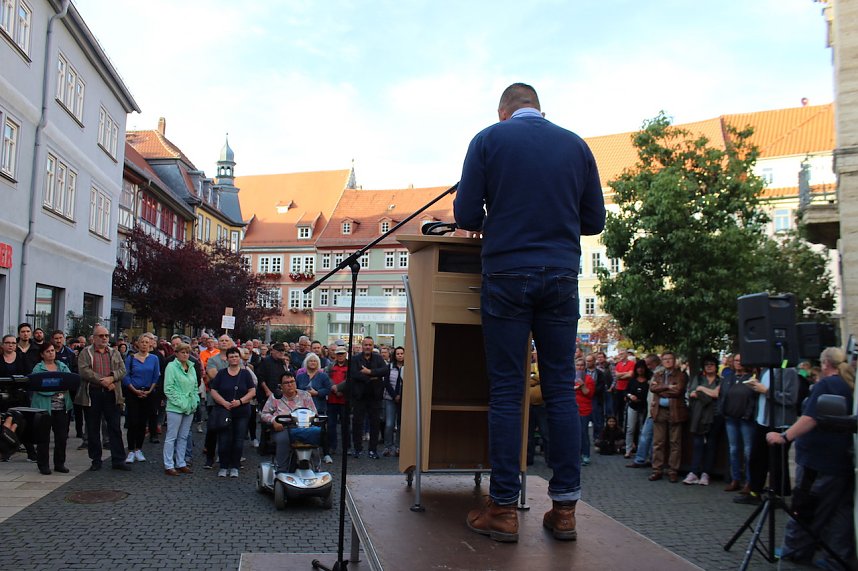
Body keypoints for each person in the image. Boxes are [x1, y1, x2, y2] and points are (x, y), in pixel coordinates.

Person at [454, 82, 605, 543]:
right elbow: (594, 221)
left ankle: (502, 510)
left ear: (504, 112)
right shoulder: (576, 146)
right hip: (560, 276)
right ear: (539, 110)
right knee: (560, 390)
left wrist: (496, 215)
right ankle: (564, 512)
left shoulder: (488, 140)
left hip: (506, 274)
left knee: (507, 391)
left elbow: (464, 214)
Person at [767, 347, 856, 569]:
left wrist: (784, 436)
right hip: (839, 463)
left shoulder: (827, 384)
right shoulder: (848, 385)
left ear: (825, 364)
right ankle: (838, 558)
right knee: (839, 513)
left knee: (805, 509)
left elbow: (810, 418)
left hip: (819, 462)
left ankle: (795, 555)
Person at [77, 325, 129, 471]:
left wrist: (111, 378)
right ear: (94, 338)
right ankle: (96, 460)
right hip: (92, 394)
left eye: (106, 335)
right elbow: (84, 371)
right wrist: (103, 381)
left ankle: (118, 460)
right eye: (101, 336)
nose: (104, 338)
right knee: (93, 428)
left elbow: (123, 370)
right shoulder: (86, 352)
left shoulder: (114, 352)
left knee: (114, 427)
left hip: (111, 394)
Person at [260, 372, 322, 472]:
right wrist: (273, 421)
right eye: (286, 383)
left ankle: (316, 467)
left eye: (292, 382)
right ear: (281, 386)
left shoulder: (305, 395)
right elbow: (264, 414)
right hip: (283, 428)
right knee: (283, 439)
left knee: (314, 436)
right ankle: (282, 469)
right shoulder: (275, 397)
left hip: (303, 427)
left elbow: (314, 413)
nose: (290, 385)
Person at [209, 346, 256, 478]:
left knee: (238, 439)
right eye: (231, 357)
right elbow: (214, 390)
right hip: (224, 411)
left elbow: (252, 391)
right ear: (227, 359)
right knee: (224, 439)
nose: (234, 359)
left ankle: (235, 465)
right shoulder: (222, 373)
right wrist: (224, 402)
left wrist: (240, 401)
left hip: (241, 411)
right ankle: (223, 466)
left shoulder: (245, 373)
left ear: (239, 358)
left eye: (236, 356)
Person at [30, 343, 73, 474]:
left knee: (61, 437)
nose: (51, 353)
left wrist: (55, 385)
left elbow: (69, 381)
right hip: (44, 408)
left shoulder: (62, 366)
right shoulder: (38, 368)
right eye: (48, 351)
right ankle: (43, 465)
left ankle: (59, 463)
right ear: (42, 354)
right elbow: (39, 386)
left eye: (53, 350)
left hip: (61, 407)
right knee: (43, 438)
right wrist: (56, 387)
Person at [648, 351, 688, 483]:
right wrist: (667, 387)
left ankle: (673, 470)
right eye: (665, 359)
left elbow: (677, 391)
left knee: (675, 442)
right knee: (658, 442)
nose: (667, 361)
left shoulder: (681, 375)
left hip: (675, 411)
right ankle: (657, 470)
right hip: (659, 411)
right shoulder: (658, 374)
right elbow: (652, 389)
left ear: (674, 360)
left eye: (670, 359)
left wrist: (661, 390)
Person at [719, 353, 757, 492]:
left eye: (741, 360)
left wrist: (748, 414)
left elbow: (754, 400)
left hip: (746, 420)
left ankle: (749, 481)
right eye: (736, 360)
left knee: (748, 451)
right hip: (730, 418)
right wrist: (722, 411)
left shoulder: (751, 380)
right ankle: (735, 479)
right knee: (733, 450)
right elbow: (722, 396)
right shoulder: (728, 378)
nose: (738, 363)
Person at [162, 342, 200, 476]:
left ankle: (181, 462)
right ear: (176, 353)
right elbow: (168, 388)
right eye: (182, 352)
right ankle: (168, 464)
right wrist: (181, 403)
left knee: (184, 436)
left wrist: (195, 401)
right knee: (171, 436)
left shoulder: (192, 367)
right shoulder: (171, 367)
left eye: (187, 352)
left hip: (189, 406)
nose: (185, 355)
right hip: (175, 407)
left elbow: (195, 386)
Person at [683, 355, 721, 486]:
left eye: (712, 364)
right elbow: (692, 393)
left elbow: (717, 394)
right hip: (698, 417)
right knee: (698, 444)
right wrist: (708, 393)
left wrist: (701, 389)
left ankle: (706, 473)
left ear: (716, 367)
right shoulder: (698, 378)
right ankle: (694, 472)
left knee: (711, 445)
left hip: (714, 416)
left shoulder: (721, 381)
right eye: (706, 364)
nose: (709, 366)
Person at [122, 333, 160, 464]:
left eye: (146, 342)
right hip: (133, 393)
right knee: (132, 422)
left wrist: (149, 390)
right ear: (137, 343)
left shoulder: (154, 358)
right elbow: (126, 376)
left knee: (143, 423)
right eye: (142, 342)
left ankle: (139, 448)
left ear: (150, 344)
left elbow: (156, 375)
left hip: (148, 393)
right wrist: (134, 390)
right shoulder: (131, 358)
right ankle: (131, 450)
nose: (144, 344)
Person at [349, 337, 387, 459]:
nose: (368, 347)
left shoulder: (378, 358)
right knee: (357, 424)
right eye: (366, 345)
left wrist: (369, 372)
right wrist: (372, 377)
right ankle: (357, 449)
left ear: (373, 346)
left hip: (375, 396)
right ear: (362, 345)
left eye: (370, 345)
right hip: (359, 396)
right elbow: (354, 374)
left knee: (375, 424)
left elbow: (385, 370)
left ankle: (373, 450)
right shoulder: (355, 359)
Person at [326, 345, 349, 456]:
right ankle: (332, 446)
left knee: (345, 426)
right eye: (338, 354)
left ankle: (347, 447)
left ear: (346, 354)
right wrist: (334, 388)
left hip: (345, 399)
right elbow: (326, 377)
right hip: (332, 399)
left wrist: (339, 388)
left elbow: (350, 380)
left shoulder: (351, 366)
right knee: (331, 425)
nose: (340, 356)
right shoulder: (330, 366)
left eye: (342, 354)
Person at [624, 359, 650, 459]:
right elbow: (626, 391)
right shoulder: (632, 380)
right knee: (630, 428)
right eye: (638, 368)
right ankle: (628, 449)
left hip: (643, 407)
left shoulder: (648, 381)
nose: (640, 370)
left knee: (642, 429)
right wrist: (630, 396)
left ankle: (641, 450)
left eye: (642, 368)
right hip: (633, 406)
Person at [382, 346, 404, 457]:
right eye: (398, 353)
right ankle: (388, 446)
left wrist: (401, 395)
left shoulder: (408, 367)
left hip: (404, 400)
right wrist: (395, 395)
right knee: (389, 424)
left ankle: (398, 447)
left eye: (402, 353)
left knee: (401, 424)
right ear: (394, 355)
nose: (400, 355)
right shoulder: (389, 367)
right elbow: (386, 383)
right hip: (390, 398)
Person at [574, 358, 595, 465]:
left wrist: (582, 385)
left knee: (583, 433)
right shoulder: (571, 378)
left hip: (584, 410)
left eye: (582, 365)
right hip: (573, 409)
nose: (580, 367)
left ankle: (585, 455)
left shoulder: (589, 379)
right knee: (573, 433)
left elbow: (588, 393)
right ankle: (575, 455)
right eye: (578, 365)